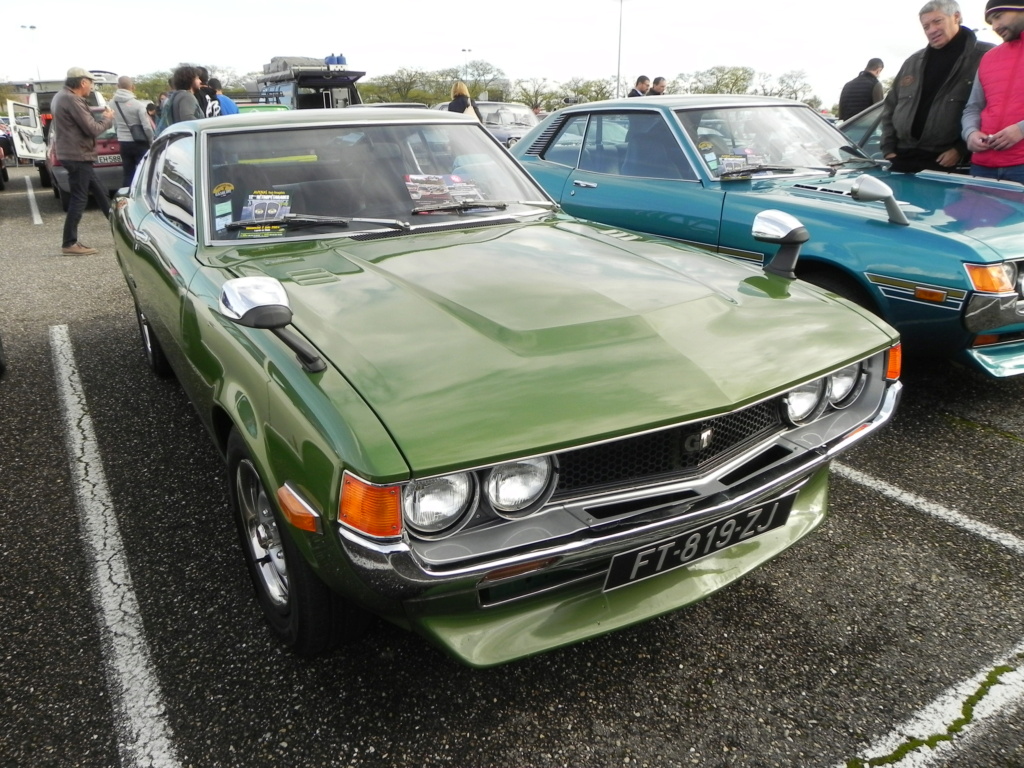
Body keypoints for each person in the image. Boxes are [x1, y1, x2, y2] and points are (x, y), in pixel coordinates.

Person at [880, 0, 994, 173]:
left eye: (937, 21)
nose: (931, 30)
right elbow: (890, 107)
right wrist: (888, 149)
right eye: (926, 26)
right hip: (903, 159)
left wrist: (961, 149)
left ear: (956, 17)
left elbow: (993, 110)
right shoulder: (912, 62)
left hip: (946, 162)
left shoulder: (985, 57)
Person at [50, 66, 114, 256]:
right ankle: (69, 242)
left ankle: (119, 228)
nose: (92, 87)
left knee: (101, 192)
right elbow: (92, 129)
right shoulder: (73, 99)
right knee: (79, 198)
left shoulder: (60, 96)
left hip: (73, 154)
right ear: (83, 82)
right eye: (91, 83)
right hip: (77, 155)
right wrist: (108, 119)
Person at [962, 1, 1024, 182]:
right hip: (981, 167)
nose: (995, 26)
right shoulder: (989, 57)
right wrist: (970, 133)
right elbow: (972, 108)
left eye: (998, 16)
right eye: (990, 22)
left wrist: (1021, 130)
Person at [109, 76, 155, 187]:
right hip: (140, 143)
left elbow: (114, 123)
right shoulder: (138, 105)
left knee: (128, 174)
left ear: (118, 86)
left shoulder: (112, 103)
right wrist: (151, 141)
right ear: (133, 87)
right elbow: (147, 127)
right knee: (144, 173)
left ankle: (126, 196)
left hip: (124, 143)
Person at [160, 65, 204, 130]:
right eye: (197, 78)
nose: (200, 81)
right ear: (190, 80)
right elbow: (187, 118)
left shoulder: (177, 95)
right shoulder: (187, 96)